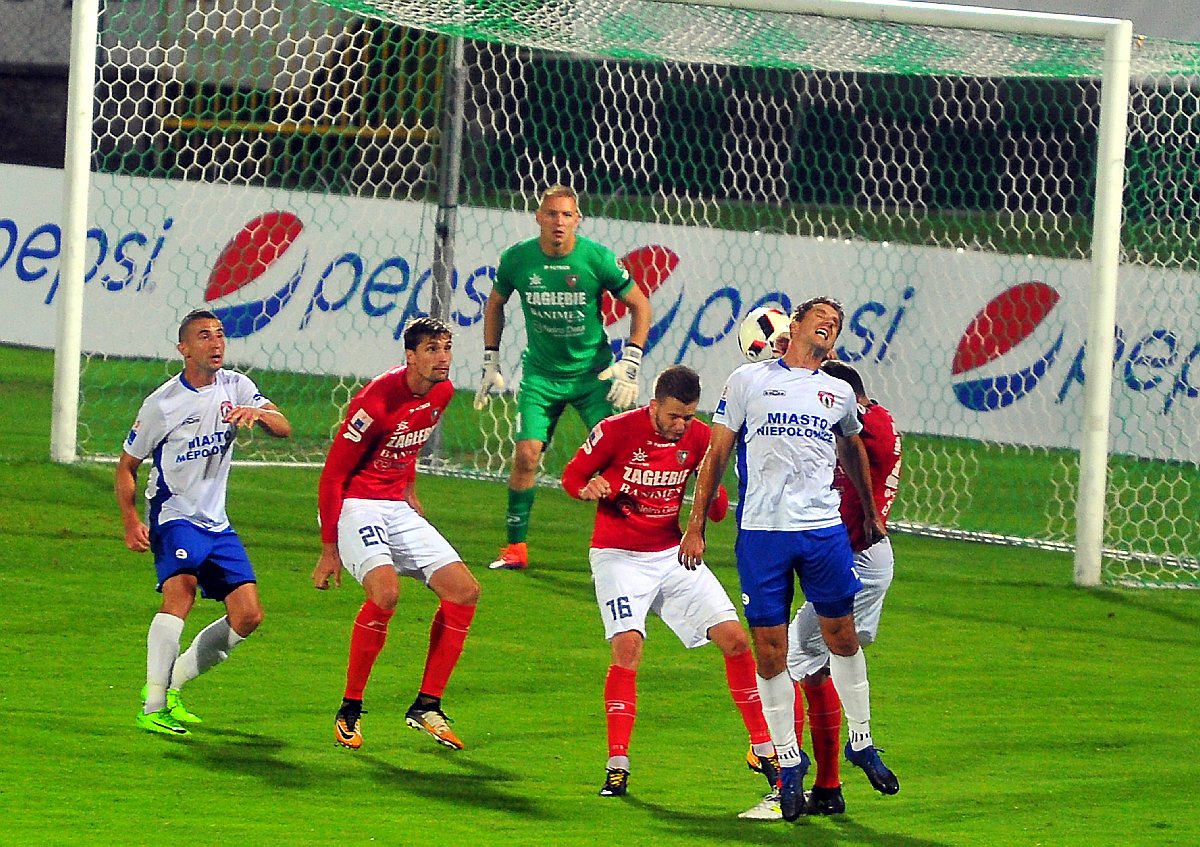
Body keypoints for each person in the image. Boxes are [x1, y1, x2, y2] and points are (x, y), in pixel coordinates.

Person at [679, 297, 899, 822]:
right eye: (820, 317)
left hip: (822, 532)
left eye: (836, 324)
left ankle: (862, 741)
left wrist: (870, 512)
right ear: (793, 325)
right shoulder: (747, 381)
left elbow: (852, 449)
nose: (829, 325)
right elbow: (717, 452)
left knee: (841, 637)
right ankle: (787, 760)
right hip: (763, 534)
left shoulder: (837, 392)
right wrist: (695, 524)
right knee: (770, 652)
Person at [561, 365, 778, 799]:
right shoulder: (615, 431)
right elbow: (572, 476)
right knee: (628, 646)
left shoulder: (699, 439)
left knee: (736, 640)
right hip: (618, 556)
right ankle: (617, 765)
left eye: (689, 416)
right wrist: (589, 488)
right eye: (674, 416)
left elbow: (717, 508)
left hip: (671, 553)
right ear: (654, 406)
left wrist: (711, 494)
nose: (681, 425)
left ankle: (763, 749)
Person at [117, 308, 292, 736]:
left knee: (248, 615)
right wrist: (130, 520)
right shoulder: (161, 405)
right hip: (174, 515)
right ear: (184, 348)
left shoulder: (237, 386)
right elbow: (127, 466)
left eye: (219, 334)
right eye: (204, 336)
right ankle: (153, 706)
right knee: (181, 593)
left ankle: (172, 686)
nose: (216, 343)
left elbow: (284, 427)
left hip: (217, 522)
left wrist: (259, 415)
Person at [312, 317, 480, 752]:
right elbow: (332, 476)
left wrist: (409, 487)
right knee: (386, 594)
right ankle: (350, 708)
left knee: (464, 591)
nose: (442, 358)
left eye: (446, 348)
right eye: (432, 349)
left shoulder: (441, 392)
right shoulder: (374, 402)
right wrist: (329, 549)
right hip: (356, 503)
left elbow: (410, 444)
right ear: (410, 356)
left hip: (394, 505)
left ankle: (427, 705)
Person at [474, 184, 653, 571]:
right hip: (541, 376)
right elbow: (495, 303)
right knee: (526, 455)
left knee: (620, 458)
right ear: (538, 217)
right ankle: (515, 547)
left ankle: (634, 546)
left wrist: (632, 359)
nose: (559, 221)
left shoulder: (596, 258)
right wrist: (491, 359)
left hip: (593, 375)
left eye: (567, 215)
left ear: (577, 220)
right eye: (552, 214)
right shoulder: (518, 259)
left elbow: (640, 304)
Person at [788, 359, 902, 815]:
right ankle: (829, 787)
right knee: (816, 662)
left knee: (795, 653)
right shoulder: (871, 417)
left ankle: (785, 764)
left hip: (858, 561)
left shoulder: (873, 429)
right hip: (858, 558)